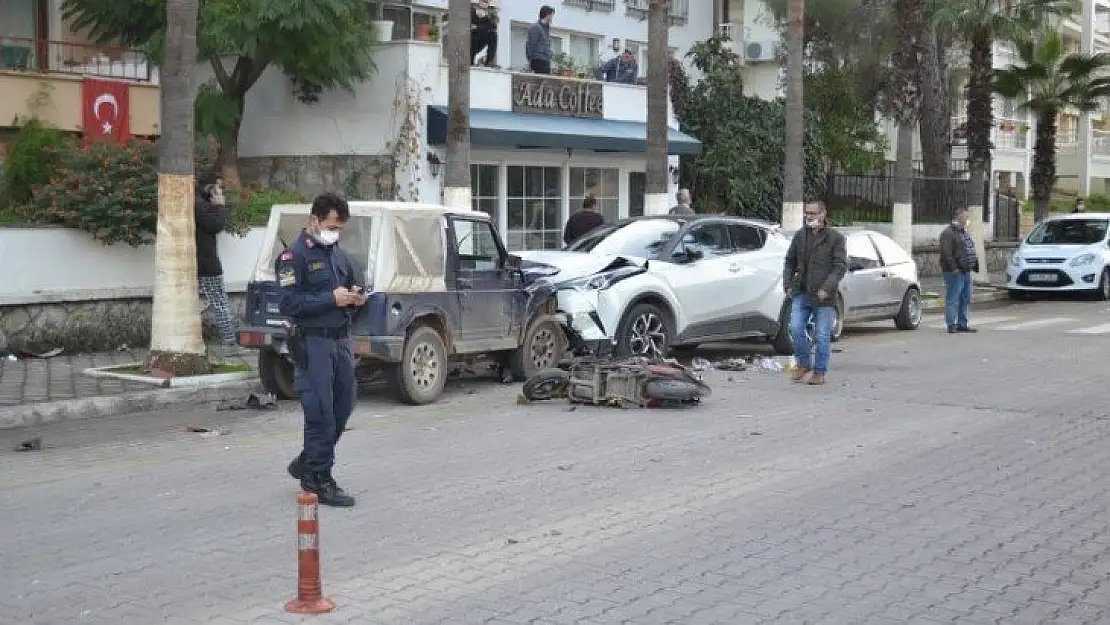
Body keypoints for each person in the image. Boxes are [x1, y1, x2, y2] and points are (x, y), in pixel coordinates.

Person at [280, 193, 368, 507]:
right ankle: (318, 478)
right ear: (314, 220)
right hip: (312, 341)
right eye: (331, 226)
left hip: (340, 339)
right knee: (321, 414)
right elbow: (289, 304)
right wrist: (332, 299)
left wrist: (356, 297)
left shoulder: (337, 255)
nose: (335, 232)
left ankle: (308, 460)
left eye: (340, 228)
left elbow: (350, 286)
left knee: (343, 406)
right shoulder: (294, 257)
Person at [782, 201, 847, 386]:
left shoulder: (835, 238)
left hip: (824, 297)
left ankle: (819, 371)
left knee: (822, 335)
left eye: (813, 213)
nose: (809, 217)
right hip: (801, 291)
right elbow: (790, 261)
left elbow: (840, 267)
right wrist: (787, 284)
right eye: (807, 213)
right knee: (795, 327)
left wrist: (826, 288)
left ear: (823, 214)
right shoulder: (800, 236)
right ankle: (803, 364)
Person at [194, 171, 239, 354]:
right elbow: (216, 225)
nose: (221, 192)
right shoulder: (199, 205)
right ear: (210, 189)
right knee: (220, 302)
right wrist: (220, 206)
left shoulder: (199, 202)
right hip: (206, 263)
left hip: (202, 261)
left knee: (214, 302)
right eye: (219, 187)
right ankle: (229, 342)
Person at [939, 207, 979, 334]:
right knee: (953, 298)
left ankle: (963, 323)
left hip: (965, 270)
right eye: (966, 217)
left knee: (965, 297)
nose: (967, 220)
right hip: (954, 271)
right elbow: (946, 252)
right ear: (958, 217)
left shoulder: (963, 232)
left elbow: (969, 249)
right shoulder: (948, 233)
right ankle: (951, 324)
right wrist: (954, 267)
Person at [525, 6, 554, 74]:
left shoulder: (546, 28)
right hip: (538, 60)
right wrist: (530, 61)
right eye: (551, 16)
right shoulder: (535, 27)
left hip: (546, 61)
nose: (552, 18)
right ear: (547, 15)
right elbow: (531, 45)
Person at [470, 0, 498, 67]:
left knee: (493, 35)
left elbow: (493, 26)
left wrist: (485, 18)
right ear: (479, 2)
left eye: (486, 2)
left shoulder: (490, 14)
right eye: (483, 1)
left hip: (482, 39)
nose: (485, 3)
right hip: (472, 39)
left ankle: (489, 62)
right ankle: (470, 61)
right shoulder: (472, 11)